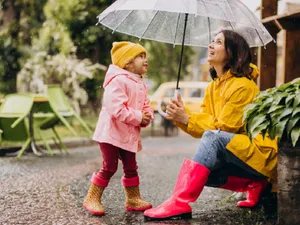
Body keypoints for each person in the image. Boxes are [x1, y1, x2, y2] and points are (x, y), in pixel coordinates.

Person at [144, 30, 278, 221]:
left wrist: (187, 118)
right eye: (212, 41)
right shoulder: (214, 86)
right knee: (202, 171)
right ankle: (254, 183)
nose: (210, 45)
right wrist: (182, 116)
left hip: (259, 154)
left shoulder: (243, 86)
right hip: (239, 152)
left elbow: (223, 129)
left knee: (211, 143)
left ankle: (179, 202)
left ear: (232, 52)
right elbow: (207, 124)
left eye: (218, 42)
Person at [83, 41, 154, 216]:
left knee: (131, 167)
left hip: (128, 134)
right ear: (128, 62)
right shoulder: (117, 81)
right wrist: (138, 116)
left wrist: (146, 116)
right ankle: (92, 197)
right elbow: (116, 109)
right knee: (110, 166)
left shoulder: (140, 83)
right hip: (111, 133)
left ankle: (133, 198)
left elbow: (146, 105)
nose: (145, 60)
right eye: (140, 56)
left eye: (145, 56)